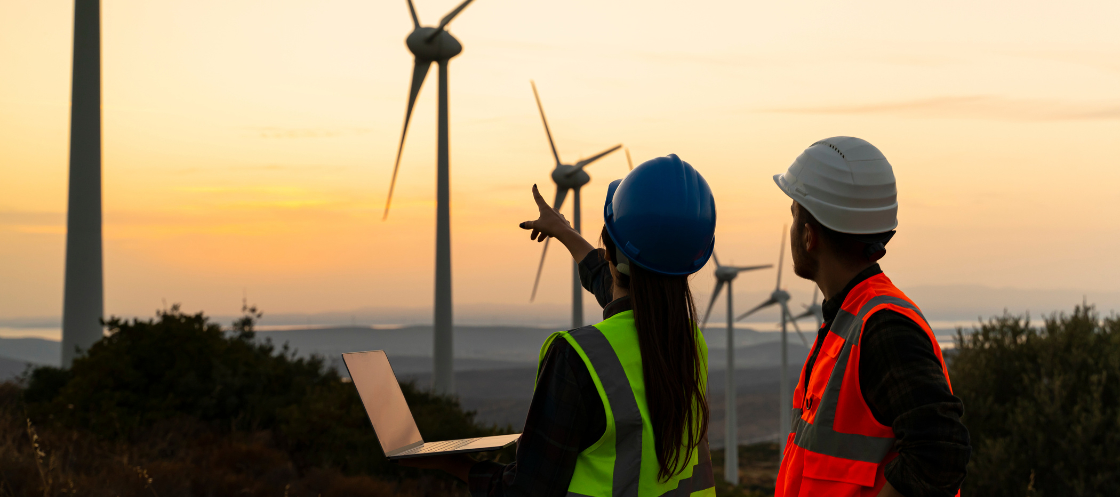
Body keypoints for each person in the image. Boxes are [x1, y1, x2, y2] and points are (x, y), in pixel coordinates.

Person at [401, 154, 718, 496]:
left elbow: (527, 490)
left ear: (612, 254)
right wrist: (565, 233)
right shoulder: (686, 342)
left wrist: (452, 463)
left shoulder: (579, 358)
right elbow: (621, 285)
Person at [771, 137, 971, 497]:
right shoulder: (849, 320)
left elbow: (941, 452)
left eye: (793, 215)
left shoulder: (884, 328)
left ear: (808, 234)